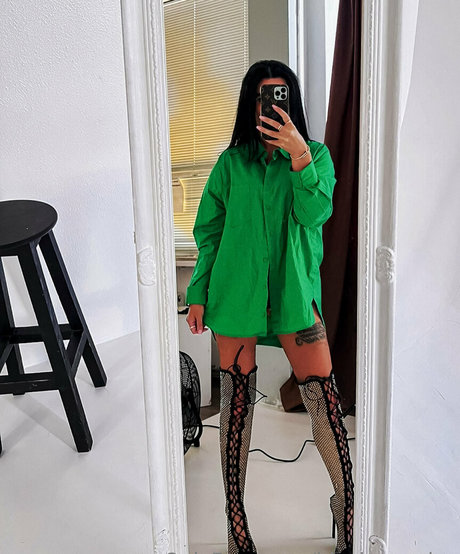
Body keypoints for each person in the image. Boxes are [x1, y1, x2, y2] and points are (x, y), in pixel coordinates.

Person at [185, 59, 354, 554]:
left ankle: (347, 507)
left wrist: (298, 155)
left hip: (294, 296)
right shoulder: (230, 165)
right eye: (264, 97)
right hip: (235, 296)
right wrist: (198, 292)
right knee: (236, 408)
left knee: (324, 402)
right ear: (251, 105)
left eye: (281, 96)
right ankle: (236, 524)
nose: (272, 106)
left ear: (292, 104)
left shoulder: (315, 157)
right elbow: (209, 233)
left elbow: (315, 213)